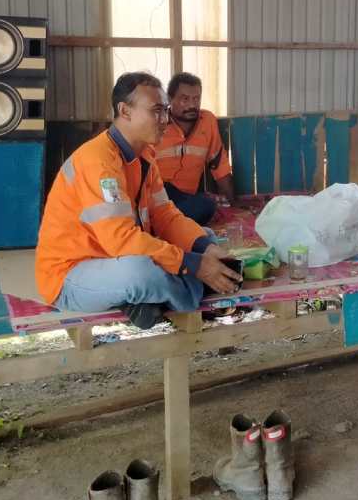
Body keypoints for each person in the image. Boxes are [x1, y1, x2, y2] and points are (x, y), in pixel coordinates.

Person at [35, 72, 242, 330]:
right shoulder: (98, 161)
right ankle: (190, 292)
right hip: (72, 274)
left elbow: (166, 216)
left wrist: (203, 248)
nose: (165, 120)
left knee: (204, 237)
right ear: (125, 111)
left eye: (165, 110)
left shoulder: (144, 157)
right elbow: (121, 240)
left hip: (114, 258)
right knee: (141, 272)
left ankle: (151, 299)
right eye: (156, 111)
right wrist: (191, 264)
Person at [155, 72, 237, 226]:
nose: (192, 105)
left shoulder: (207, 121)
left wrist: (234, 204)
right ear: (170, 99)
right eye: (185, 99)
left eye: (196, 99)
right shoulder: (157, 123)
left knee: (206, 206)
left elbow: (220, 166)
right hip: (158, 195)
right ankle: (167, 220)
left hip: (186, 200)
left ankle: (169, 222)